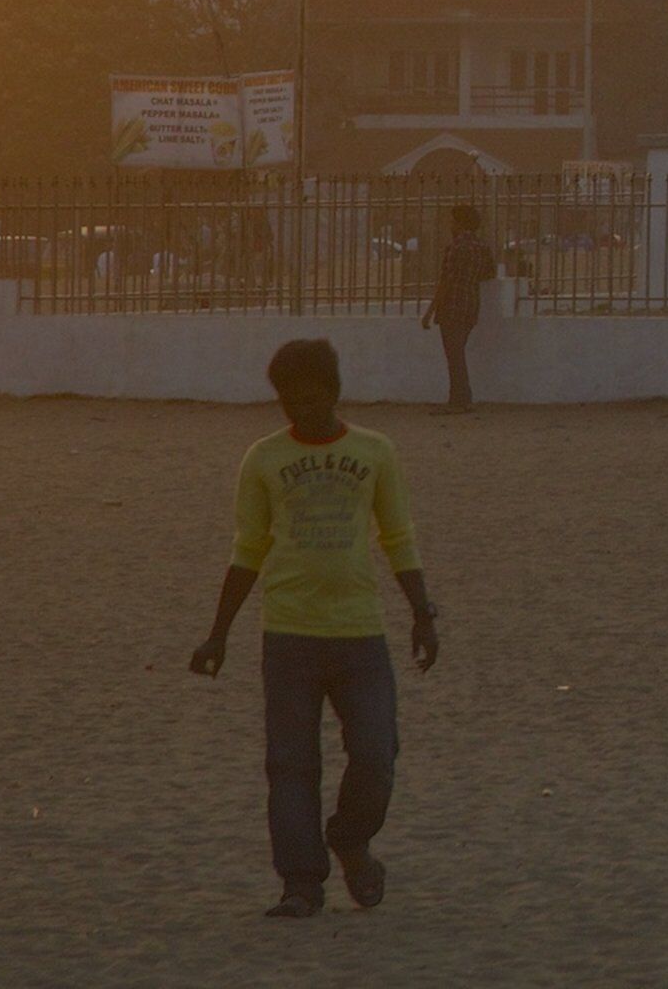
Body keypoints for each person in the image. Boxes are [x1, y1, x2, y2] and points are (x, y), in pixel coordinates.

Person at [188, 338, 440, 919]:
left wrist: (422, 614)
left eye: (309, 396)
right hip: (289, 636)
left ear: (333, 391)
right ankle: (301, 882)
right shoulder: (263, 459)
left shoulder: (375, 452)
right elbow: (248, 549)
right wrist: (218, 632)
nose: (298, 409)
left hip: (360, 635)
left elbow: (398, 538)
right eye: (286, 400)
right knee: (291, 765)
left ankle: (351, 839)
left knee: (376, 755)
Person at [420, 203, 494, 415]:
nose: (450, 225)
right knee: (458, 353)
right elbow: (488, 273)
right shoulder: (482, 247)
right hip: (471, 305)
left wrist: (429, 312)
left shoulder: (455, 247)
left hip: (451, 306)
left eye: (453, 221)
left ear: (460, 223)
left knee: (454, 356)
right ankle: (462, 398)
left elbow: (446, 281)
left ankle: (459, 400)